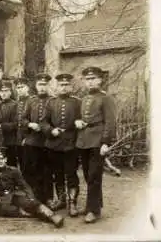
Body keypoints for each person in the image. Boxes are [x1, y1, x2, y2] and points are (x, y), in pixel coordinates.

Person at [0, 147, 64, 228]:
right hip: (0, 198)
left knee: (30, 203)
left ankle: (52, 216)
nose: (0, 161)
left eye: (2, 158)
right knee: (6, 210)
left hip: (13, 195)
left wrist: (31, 197)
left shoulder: (13, 170)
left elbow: (24, 186)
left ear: (6, 159)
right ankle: (32, 214)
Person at [74, 67, 116, 224]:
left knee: (94, 176)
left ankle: (93, 211)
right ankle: (94, 204)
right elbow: (80, 117)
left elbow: (110, 122)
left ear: (100, 80)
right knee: (87, 175)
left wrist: (106, 143)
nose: (90, 82)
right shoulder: (84, 98)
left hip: (98, 142)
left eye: (93, 79)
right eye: (87, 79)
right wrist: (77, 121)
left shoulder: (106, 98)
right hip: (84, 141)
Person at [41, 73, 81, 216]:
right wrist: (51, 130)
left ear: (71, 86)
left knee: (71, 174)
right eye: (61, 85)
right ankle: (62, 200)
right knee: (57, 174)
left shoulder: (77, 102)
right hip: (54, 144)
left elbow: (82, 120)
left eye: (66, 85)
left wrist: (78, 124)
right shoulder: (51, 102)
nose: (64, 88)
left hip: (71, 144)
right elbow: (43, 122)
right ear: (57, 87)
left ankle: (72, 203)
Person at [22, 73, 54, 206]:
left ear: (48, 86)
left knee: (47, 171)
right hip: (33, 141)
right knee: (32, 170)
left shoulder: (53, 101)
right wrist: (30, 124)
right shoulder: (31, 101)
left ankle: (48, 198)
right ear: (35, 86)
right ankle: (33, 197)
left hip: (48, 142)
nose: (42, 87)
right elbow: (23, 120)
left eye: (45, 84)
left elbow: (57, 121)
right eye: (40, 84)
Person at [13, 77, 32, 176]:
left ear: (27, 88)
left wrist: (28, 138)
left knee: (28, 166)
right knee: (21, 164)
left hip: (29, 138)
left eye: (22, 87)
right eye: (18, 87)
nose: (20, 89)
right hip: (18, 138)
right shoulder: (17, 103)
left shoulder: (32, 101)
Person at [0, 81, 18, 167]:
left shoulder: (14, 105)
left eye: (6, 91)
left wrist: (2, 126)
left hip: (11, 139)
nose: (4, 93)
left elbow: (16, 123)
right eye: (2, 91)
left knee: (11, 163)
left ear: (10, 92)